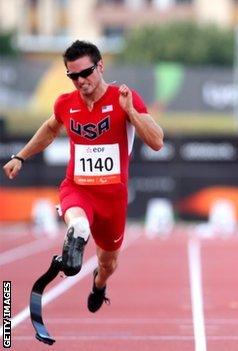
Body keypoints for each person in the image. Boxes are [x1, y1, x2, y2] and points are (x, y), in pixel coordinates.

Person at [3, 40, 163, 313]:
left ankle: (99, 284)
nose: (80, 81)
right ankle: (77, 231)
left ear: (100, 66)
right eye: (73, 76)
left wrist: (131, 113)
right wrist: (20, 156)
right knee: (78, 223)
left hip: (112, 197)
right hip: (78, 188)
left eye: (85, 73)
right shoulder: (65, 103)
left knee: (107, 263)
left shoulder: (124, 97)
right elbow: (50, 129)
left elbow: (157, 141)